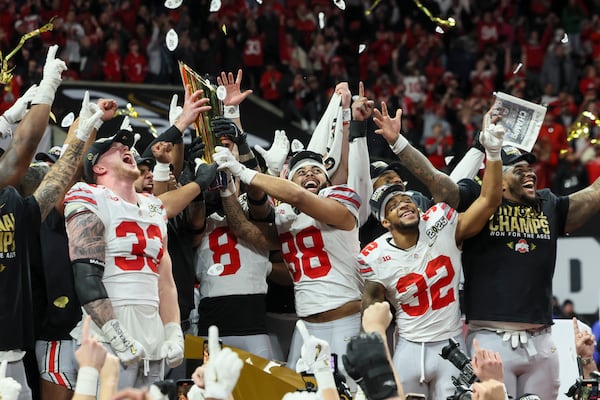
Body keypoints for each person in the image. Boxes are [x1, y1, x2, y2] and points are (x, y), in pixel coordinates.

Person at [64, 87, 218, 389]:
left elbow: (166, 280)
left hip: (152, 328)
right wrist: (114, 332)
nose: (129, 148)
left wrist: (173, 330)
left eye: (128, 146)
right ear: (98, 167)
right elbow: (86, 275)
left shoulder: (151, 206)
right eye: (115, 146)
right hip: (106, 329)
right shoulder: (88, 196)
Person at [358, 117, 504, 398]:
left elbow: (488, 202)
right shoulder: (374, 255)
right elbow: (372, 313)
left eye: (405, 198)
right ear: (385, 222)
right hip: (408, 347)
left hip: (451, 345)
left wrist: (494, 154)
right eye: (393, 205)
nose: (403, 203)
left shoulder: (441, 221)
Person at [214, 144, 363, 387]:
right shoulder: (286, 215)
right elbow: (244, 228)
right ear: (290, 179)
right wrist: (227, 187)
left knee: (348, 393)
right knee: (294, 393)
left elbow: (298, 196)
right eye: (301, 172)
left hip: (345, 320)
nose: (309, 174)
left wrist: (245, 171)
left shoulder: (340, 197)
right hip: (305, 327)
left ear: (327, 179)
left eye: (316, 170)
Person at [0, 45, 100, 400]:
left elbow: (30, 159)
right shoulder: (8, 200)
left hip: (11, 354)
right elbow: (26, 155)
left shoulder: (9, 201)